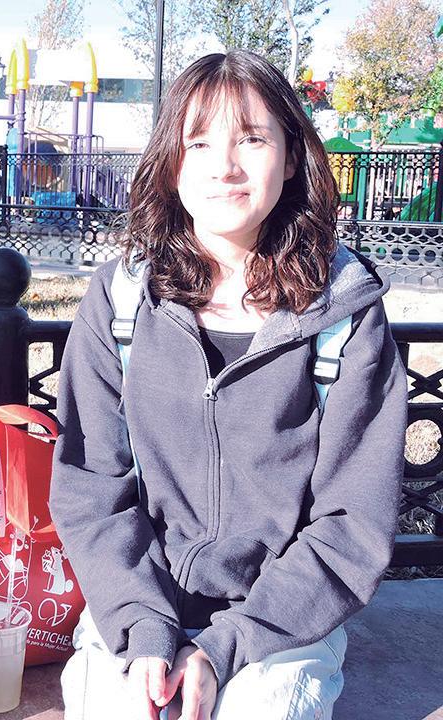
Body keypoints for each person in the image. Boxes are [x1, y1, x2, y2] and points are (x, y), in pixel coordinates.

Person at [50, 51, 406, 720]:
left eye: (252, 139)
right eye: (199, 142)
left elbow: (352, 524)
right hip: (135, 610)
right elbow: (92, 488)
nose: (225, 166)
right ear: (172, 163)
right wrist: (145, 629)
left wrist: (225, 649)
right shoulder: (122, 301)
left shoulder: (343, 314)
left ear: (291, 157)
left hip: (280, 627)